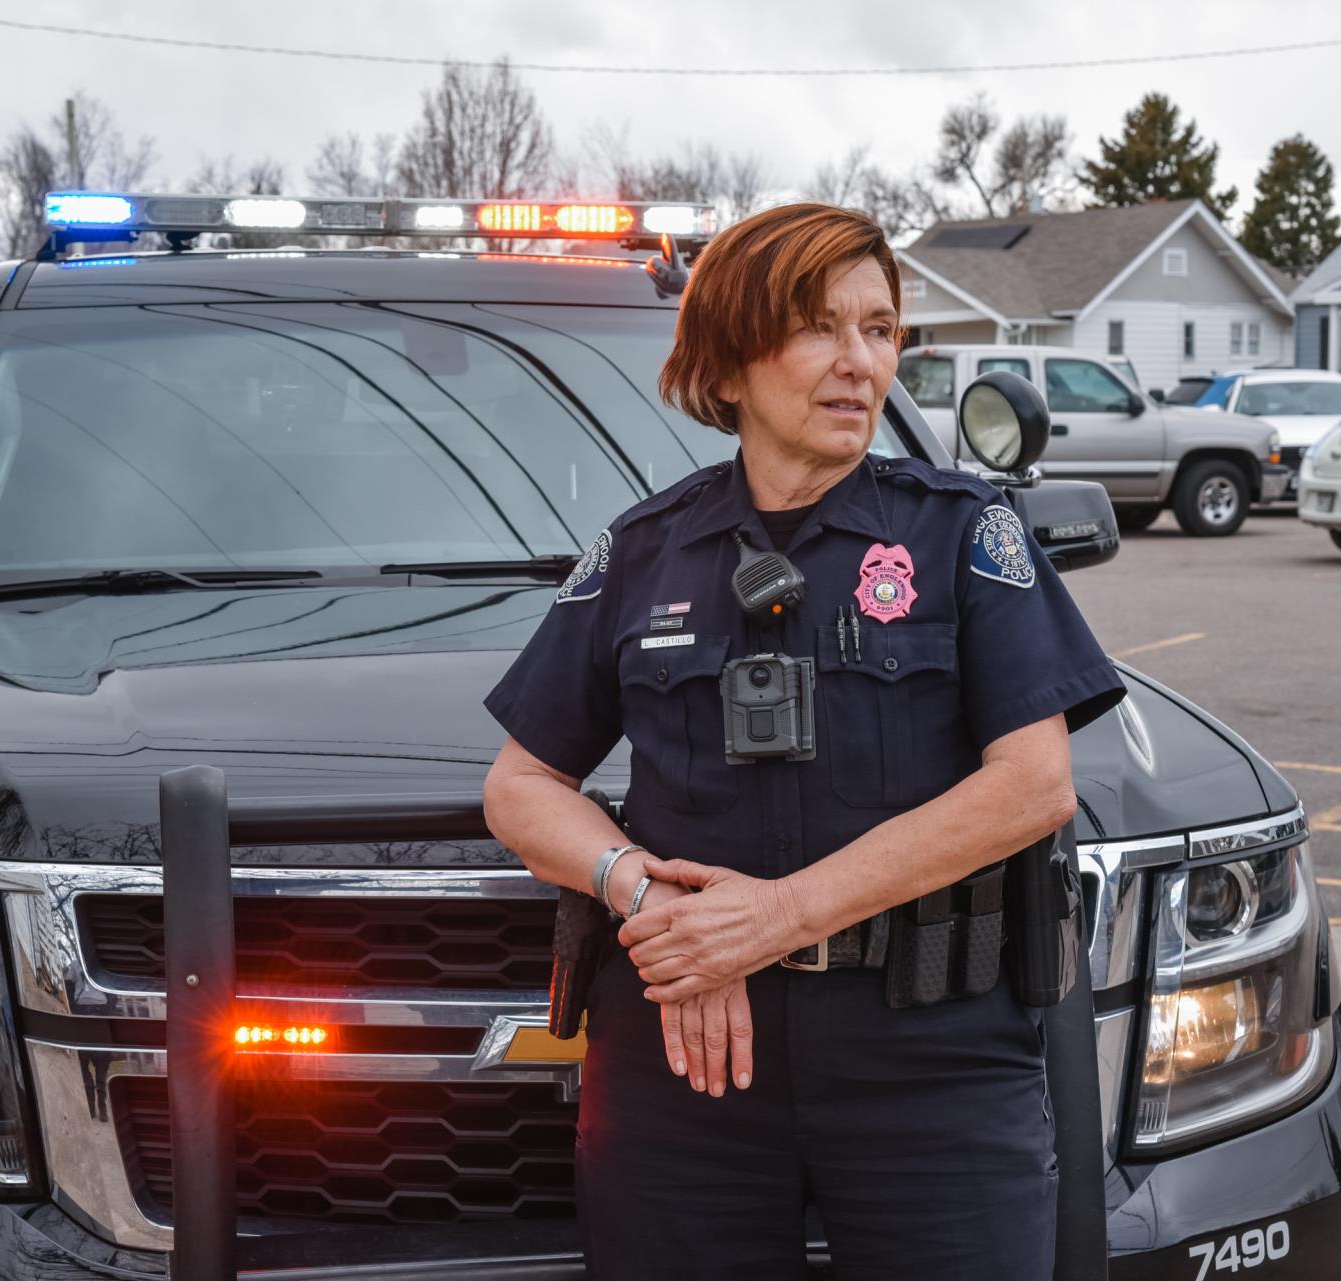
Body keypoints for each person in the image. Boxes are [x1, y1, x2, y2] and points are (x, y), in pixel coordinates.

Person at [481, 202, 1126, 1280]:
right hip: (684, 1069)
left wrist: (774, 918)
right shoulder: (641, 555)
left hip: (934, 1069)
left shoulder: (967, 534)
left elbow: (1033, 787)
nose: (858, 363)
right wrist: (640, 889)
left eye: (880, 331)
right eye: (820, 327)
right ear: (729, 361)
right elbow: (522, 785)